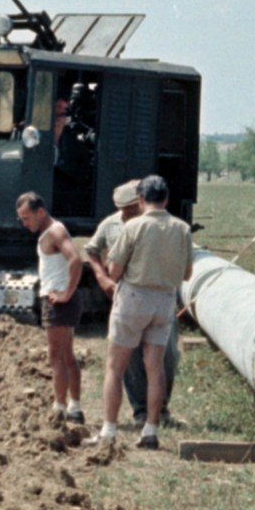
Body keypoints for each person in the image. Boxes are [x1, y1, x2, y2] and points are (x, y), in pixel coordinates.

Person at [90, 174, 193, 450]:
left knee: (115, 366)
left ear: (140, 199)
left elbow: (114, 270)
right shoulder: (183, 228)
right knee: (155, 367)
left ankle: (109, 431)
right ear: (166, 199)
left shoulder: (133, 227)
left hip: (135, 297)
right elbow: (187, 273)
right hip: (165, 301)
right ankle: (150, 430)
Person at [84, 180, 154, 424]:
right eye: (122, 208)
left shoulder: (155, 223)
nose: (126, 213)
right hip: (125, 296)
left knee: (165, 356)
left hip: (154, 294)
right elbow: (91, 250)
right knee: (131, 356)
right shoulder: (111, 224)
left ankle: (159, 409)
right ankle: (141, 411)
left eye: (131, 208)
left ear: (141, 203)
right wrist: (102, 278)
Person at [15, 191, 85, 424]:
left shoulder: (55, 231)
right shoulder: (48, 232)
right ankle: (74, 408)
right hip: (59, 299)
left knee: (55, 357)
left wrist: (66, 293)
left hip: (58, 302)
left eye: (27, 218)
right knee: (66, 356)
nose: (25, 223)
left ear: (40, 212)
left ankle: (60, 410)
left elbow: (76, 259)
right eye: (22, 219)